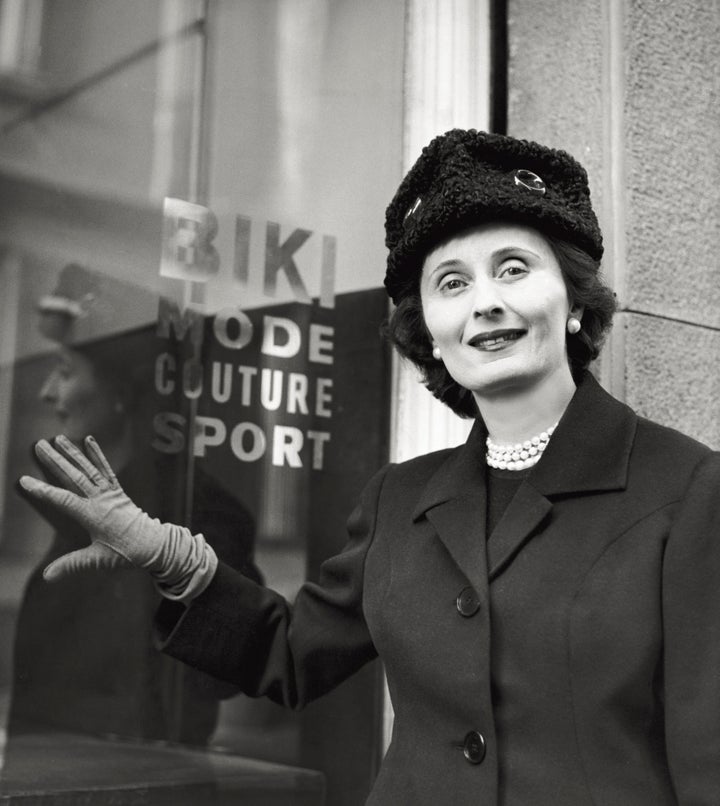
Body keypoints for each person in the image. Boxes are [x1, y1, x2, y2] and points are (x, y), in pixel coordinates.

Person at [16, 130, 720, 804]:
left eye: (513, 268)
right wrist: (171, 558)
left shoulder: (688, 491)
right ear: (432, 335)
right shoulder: (399, 499)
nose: (485, 302)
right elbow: (287, 656)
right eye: (451, 283)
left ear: (572, 301)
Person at [9, 264, 261, 745]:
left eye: (65, 372)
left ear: (121, 392)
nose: (47, 392)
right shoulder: (70, 507)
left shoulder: (200, 511)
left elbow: (230, 668)